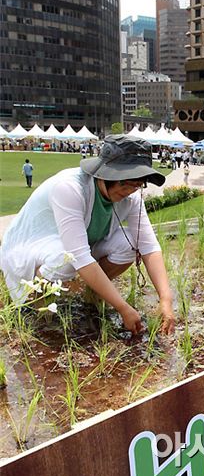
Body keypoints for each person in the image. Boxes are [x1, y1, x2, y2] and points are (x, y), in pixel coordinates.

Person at [0, 135, 175, 335]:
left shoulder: (132, 195)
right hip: (32, 246)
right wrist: (123, 308)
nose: (130, 191)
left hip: (79, 245)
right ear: (106, 174)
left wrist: (166, 300)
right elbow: (78, 256)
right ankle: (35, 305)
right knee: (66, 259)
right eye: (126, 183)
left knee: (130, 244)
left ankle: (91, 293)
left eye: (138, 184)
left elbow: (148, 246)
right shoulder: (70, 188)